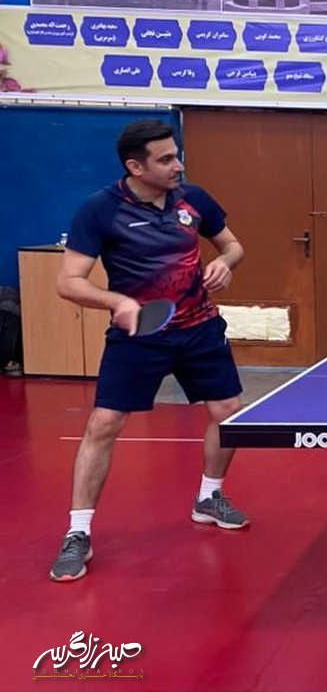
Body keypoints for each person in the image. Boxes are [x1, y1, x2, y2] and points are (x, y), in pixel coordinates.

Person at [49, 119, 250, 582]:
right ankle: (78, 532)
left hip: (200, 327)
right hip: (139, 334)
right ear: (135, 167)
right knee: (104, 424)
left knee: (228, 411)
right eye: (166, 159)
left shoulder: (193, 199)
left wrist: (225, 262)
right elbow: (69, 282)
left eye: (177, 155)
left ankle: (209, 496)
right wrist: (116, 301)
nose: (178, 165)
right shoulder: (100, 210)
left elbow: (233, 245)